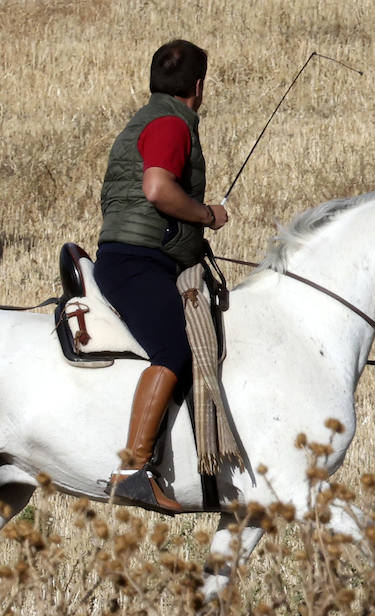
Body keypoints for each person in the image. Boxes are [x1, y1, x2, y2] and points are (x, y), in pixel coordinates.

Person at [95, 39, 229, 513]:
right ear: (199, 86)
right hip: (136, 260)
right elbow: (157, 188)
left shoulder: (150, 118)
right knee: (174, 345)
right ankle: (132, 470)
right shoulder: (171, 124)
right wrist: (207, 215)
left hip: (142, 255)